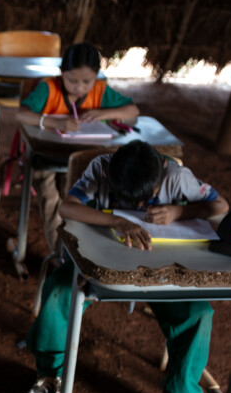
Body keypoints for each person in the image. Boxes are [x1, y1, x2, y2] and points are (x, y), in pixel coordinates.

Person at [21, 141, 229, 393]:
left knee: (198, 313)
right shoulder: (101, 167)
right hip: (102, 261)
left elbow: (220, 206)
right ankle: (50, 375)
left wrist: (180, 211)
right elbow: (67, 207)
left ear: (159, 177)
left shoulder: (176, 176)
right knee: (59, 291)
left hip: (162, 268)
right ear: (110, 171)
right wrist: (116, 220)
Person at [16, 42, 141, 252]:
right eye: (72, 80)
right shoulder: (49, 87)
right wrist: (54, 122)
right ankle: (61, 252)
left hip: (79, 159)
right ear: (61, 73)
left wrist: (104, 114)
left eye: (86, 81)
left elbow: (133, 112)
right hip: (44, 157)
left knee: (74, 198)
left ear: (97, 76)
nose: (79, 87)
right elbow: (22, 114)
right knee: (50, 199)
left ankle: (73, 249)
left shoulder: (100, 91)